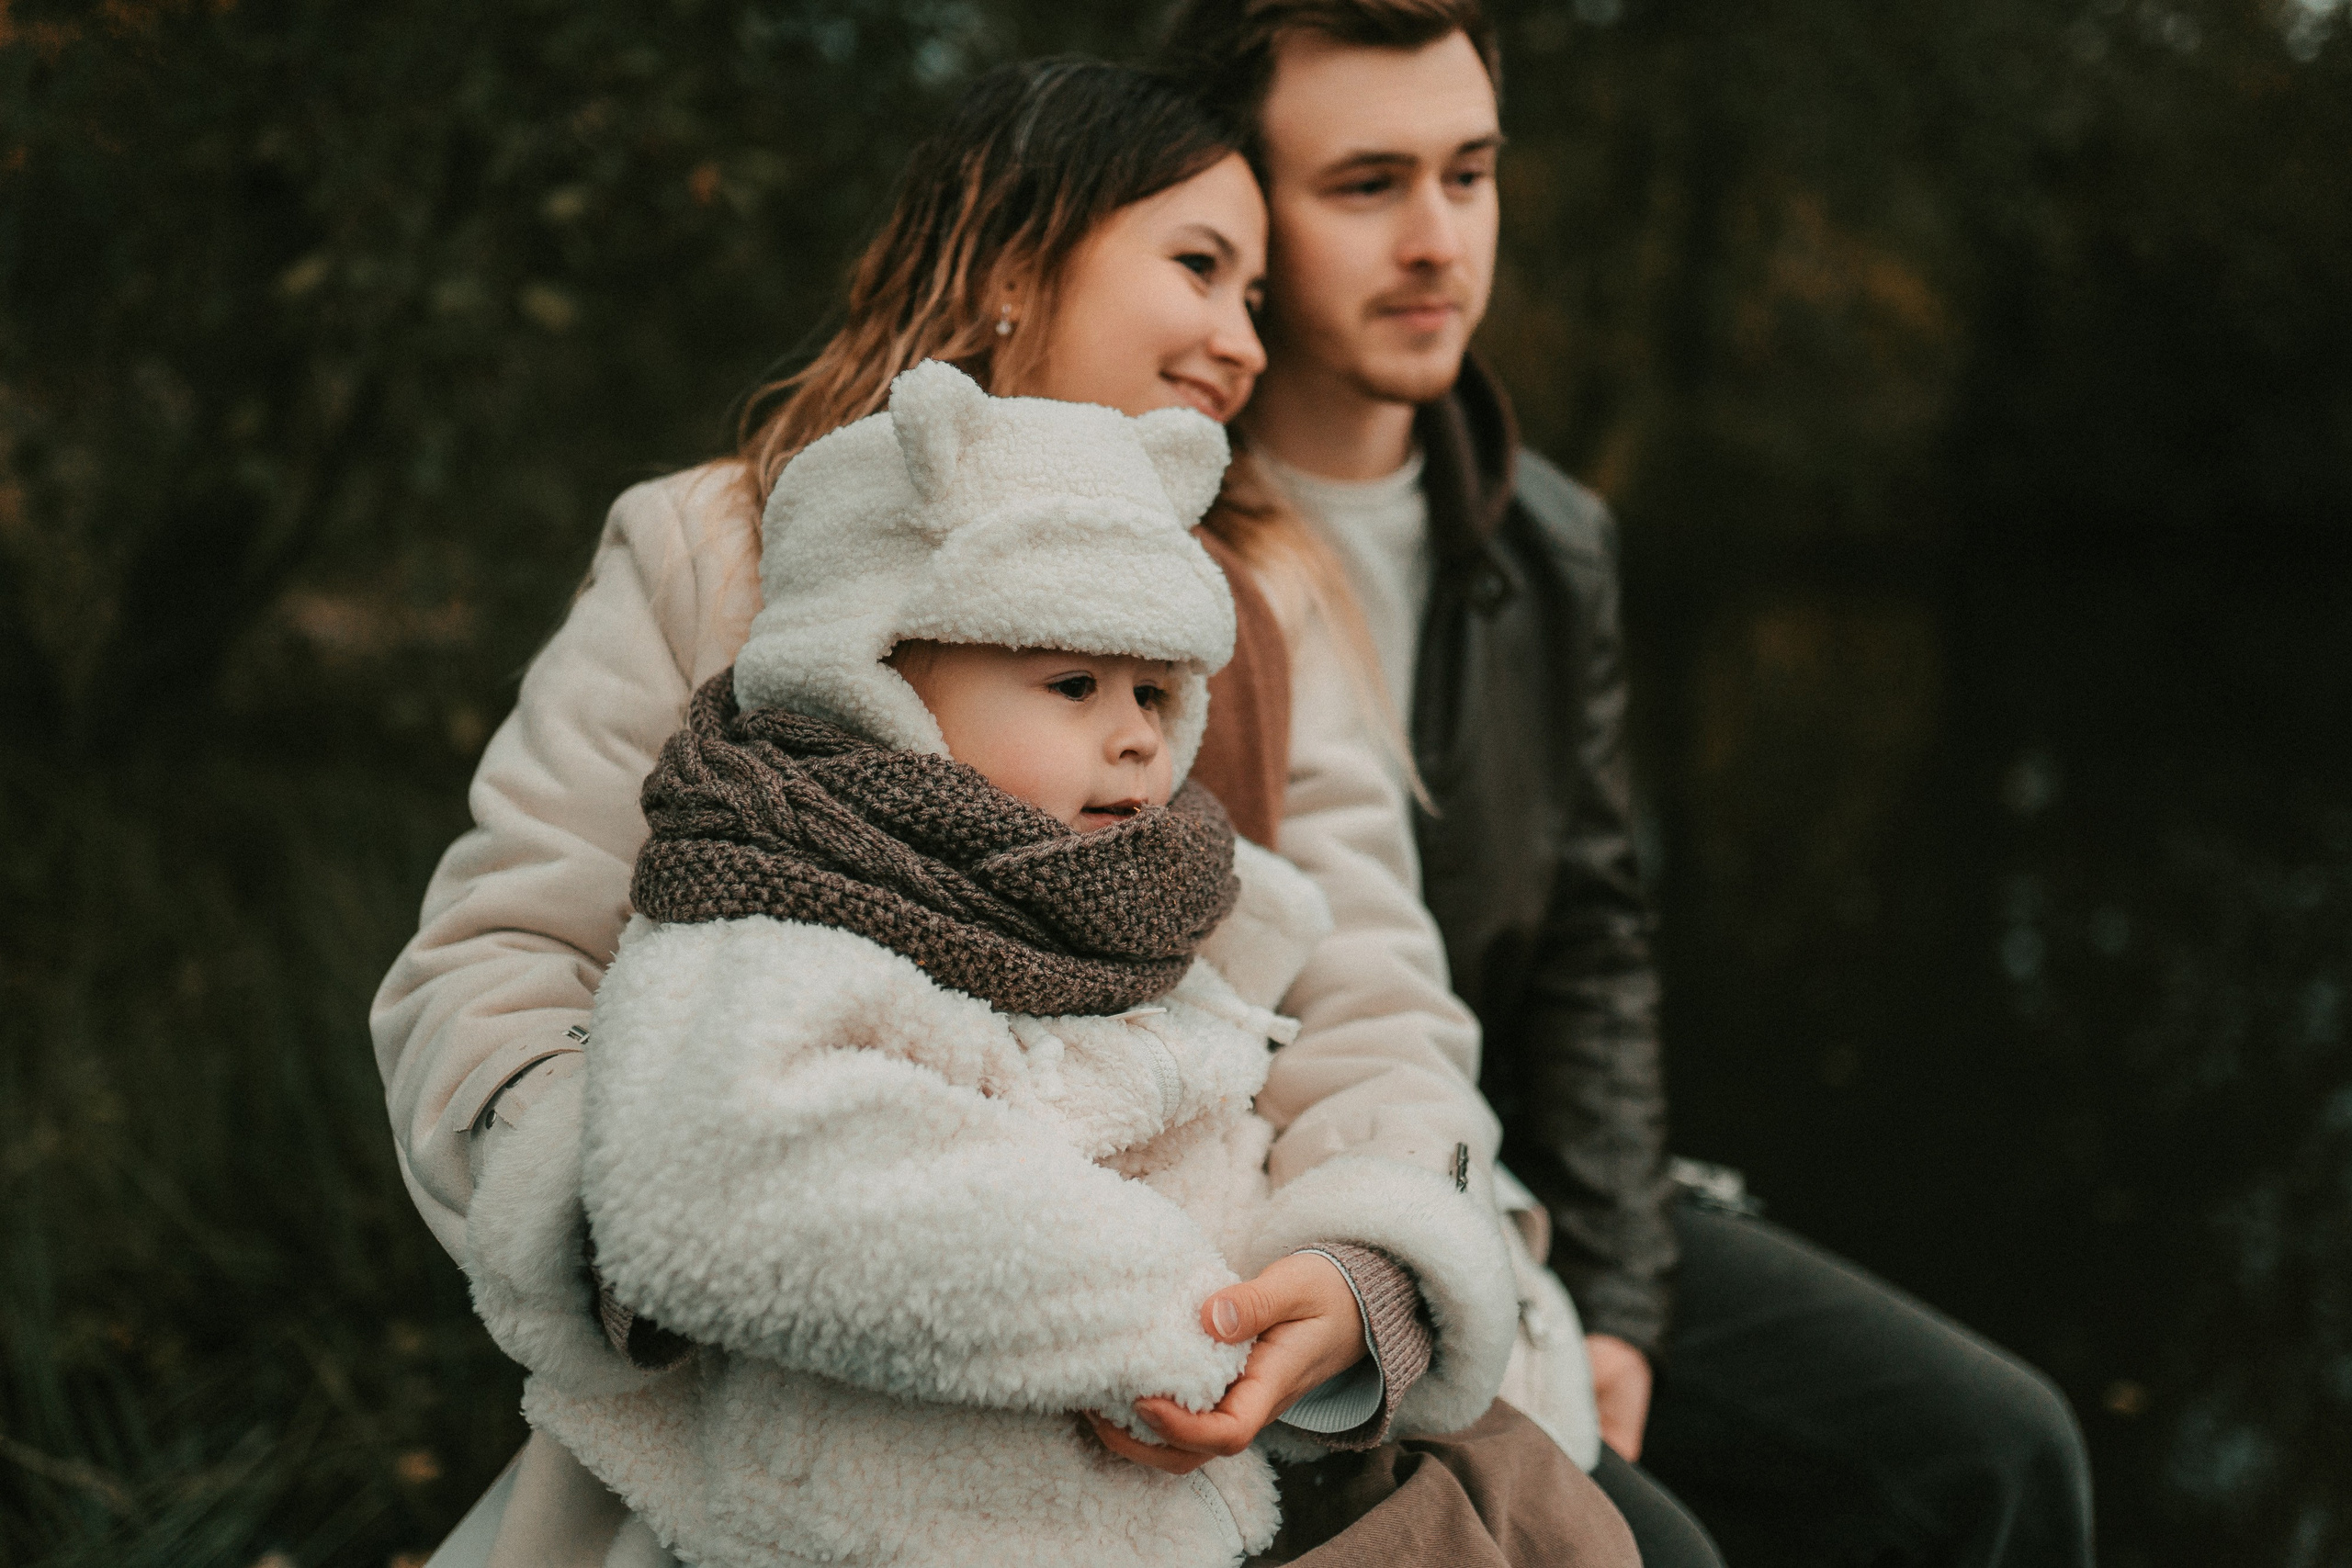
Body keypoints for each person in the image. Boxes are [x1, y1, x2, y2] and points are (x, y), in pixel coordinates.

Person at [383, 60, 1623, 1568]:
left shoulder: (1259, 607)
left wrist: (1350, 1270)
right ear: (1009, 265)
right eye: (1198, 270)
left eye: (1256, 290)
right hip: (765, 1441)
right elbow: (494, 958)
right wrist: (675, 1226)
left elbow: (1377, 1007)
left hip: (1190, 1412)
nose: (1244, 339)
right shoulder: (713, 545)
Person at [1154, 2, 2099, 1564]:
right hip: (1289, 1209)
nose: (1437, 239)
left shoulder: (1551, 544)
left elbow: (1593, 943)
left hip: (1522, 1177)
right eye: (1368, 185)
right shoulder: (1150, 528)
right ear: (1244, 207)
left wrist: (1625, 1298)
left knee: (1999, 1459)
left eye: (1470, 174)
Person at [466, 358, 1525, 1568]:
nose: (1134, 733)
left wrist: (1347, 1290)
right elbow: (729, 1169)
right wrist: (1183, 1322)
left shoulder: (1162, 921)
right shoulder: (772, 915)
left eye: (1155, 690)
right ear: (880, 681)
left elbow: (1300, 1090)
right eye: (1072, 684)